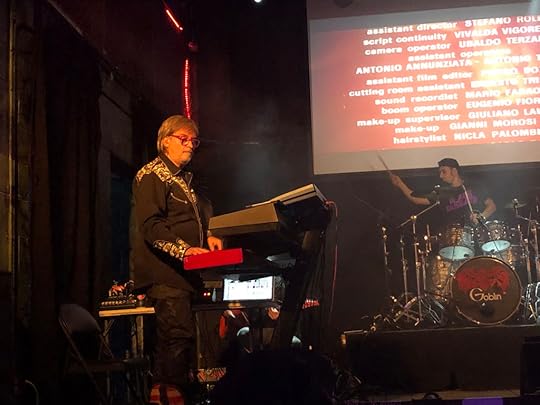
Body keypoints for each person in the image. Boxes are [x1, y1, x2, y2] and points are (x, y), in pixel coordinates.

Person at [131, 115, 222, 405]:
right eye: (184, 139)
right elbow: (151, 225)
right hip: (165, 275)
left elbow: (203, 209)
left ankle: (179, 395)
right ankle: (168, 398)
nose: (190, 145)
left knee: (185, 343)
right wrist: (185, 250)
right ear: (165, 141)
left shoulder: (184, 181)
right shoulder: (152, 175)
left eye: (194, 141)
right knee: (175, 339)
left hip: (185, 276)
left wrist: (211, 232)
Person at [389, 157, 496, 226]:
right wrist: (400, 184)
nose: (441, 176)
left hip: (478, 234)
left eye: (444, 172)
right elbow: (415, 199)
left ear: (454, 171)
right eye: (440, 173)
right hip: (454, 238)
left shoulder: (474, 186)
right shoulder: (442, 193)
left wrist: (480, 218)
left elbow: (492, 206)